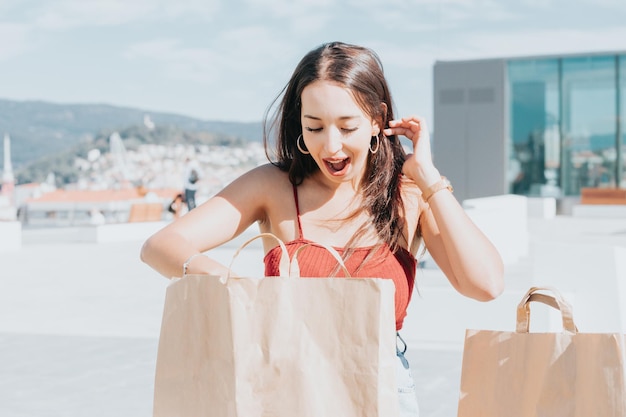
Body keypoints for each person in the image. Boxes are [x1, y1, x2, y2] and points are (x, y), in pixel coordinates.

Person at [140, 41, 504, 416]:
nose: (331, 146)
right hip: (288, 387)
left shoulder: (408, 194)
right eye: (314, 127)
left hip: (383, 390)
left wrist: (427, 177)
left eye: (347, 127)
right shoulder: (274, 186)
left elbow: (486, 284)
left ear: (378, 119)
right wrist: (236, 287)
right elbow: (161, 245)